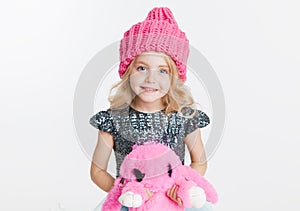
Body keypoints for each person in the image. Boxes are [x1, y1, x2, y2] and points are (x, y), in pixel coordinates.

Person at [89, 7, 213, 211]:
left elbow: (199, 161)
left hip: (174, 203)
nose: (151, 78)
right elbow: (97, 170)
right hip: (134, 203)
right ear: (128, 71)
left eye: (162, 71)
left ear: (174, 77)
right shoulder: (113, 120)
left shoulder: (183, 118)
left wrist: (181, 187)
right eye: (141, 68)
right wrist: (126, 193)